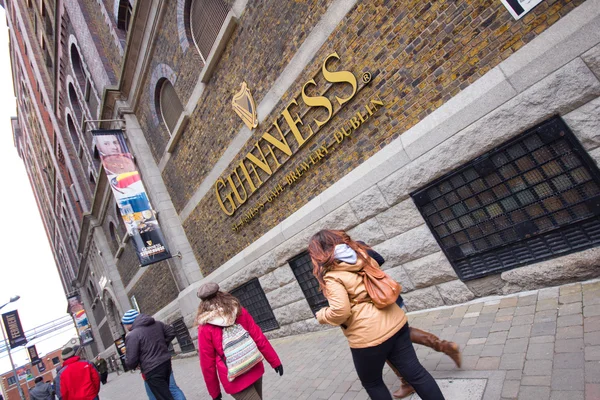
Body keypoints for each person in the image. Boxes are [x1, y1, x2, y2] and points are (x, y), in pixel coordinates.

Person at [309, 229, 445, 400]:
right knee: (416, 373)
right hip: (396, 323)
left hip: (369, 337)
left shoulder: (332, 276)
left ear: (319, 253)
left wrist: (321, 315)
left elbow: (340, 312)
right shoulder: (362, 255)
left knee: (372, 382)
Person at [361, 241, 461, 398]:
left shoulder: (334, 259)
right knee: (400, 332)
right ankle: (444, 346)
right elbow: (379, 259)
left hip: (374, 303)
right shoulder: (357, 245)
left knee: (385, 340)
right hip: (386, 293)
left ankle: (408, 381)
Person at [196, 282, 283, 400]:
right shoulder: (237, 310)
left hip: (234, 379)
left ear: (202, 303)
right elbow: (258, 337)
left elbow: (207, 364)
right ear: (220, 293)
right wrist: (275, 361)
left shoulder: (205, 327)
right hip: (253, 364)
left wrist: (214, 392)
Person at [122, 309, 177, 400]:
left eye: (125, 324)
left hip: (152, 369)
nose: (125, 327)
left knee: (164, 397)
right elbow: (171, 332)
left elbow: (131, 361)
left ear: (129, 323)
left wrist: (127, 359)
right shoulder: (157, 324)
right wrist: (162, 345)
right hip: (165, 362)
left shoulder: (133, 335)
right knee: (166, 393)